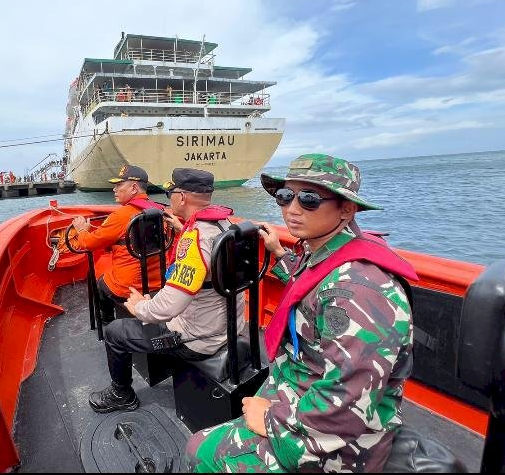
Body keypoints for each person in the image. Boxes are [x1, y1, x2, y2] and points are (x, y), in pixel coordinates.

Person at [186, 154, 417, 473]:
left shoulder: (357, 290)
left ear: (346, 209)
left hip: (338, 445)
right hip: (299, 393)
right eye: (285, 196)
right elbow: (308, 281)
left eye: (309, 199)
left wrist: (268, 418)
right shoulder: (325, 253)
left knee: (199, 451)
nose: (292, 209)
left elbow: (345, 407)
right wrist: (279, 255)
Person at [87, 168, 239, 414]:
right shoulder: (224, 225)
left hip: (197, 339)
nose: (169, 199)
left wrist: (140, 308)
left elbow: (169, 307)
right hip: (225, 325)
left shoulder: (195, 240)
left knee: (115, 331)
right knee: (155, 300)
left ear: (182, 197)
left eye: (170, 193)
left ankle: (121, 394)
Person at [72, 165, 165, 325]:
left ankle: (106, 323)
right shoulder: (160, 210)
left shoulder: (120, 216)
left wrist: (81, 231)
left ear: (134, 187)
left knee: (100, 282)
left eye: (118, 185)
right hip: (159, 282)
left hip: (128, 286)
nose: (114, 189)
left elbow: (88, 243)